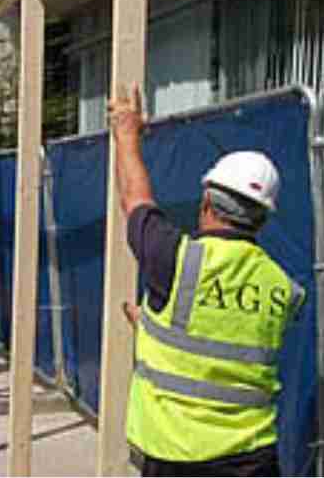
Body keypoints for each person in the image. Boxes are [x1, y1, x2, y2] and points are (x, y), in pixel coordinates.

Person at [108, 85, 305, 477]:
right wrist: (151, 328)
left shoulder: (177, 261)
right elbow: (222, 337)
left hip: (179, 457)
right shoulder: (285, 289)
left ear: (207, 204)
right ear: (263, 218)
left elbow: (135, 200)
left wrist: (126, 133)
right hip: (255, 460)